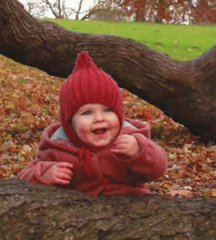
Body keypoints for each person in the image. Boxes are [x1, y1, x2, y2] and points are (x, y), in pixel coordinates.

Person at [18, 50, 167, 196]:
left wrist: (138, 152)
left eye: (107, 110)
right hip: (78, 209)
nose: (99, 118)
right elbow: (23, 178)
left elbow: (157, 169)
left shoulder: (130, 138)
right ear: (69, 122)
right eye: (87, 113)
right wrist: (44, 174)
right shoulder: (58, 146)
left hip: (131, 204)